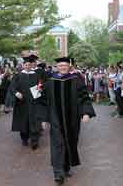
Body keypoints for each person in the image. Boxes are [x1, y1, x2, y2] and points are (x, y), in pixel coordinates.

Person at [41, 57, 96, 185]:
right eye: (60, 66)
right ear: (56, 67)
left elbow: (84, 97)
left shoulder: (76, 81)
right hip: (55, 119)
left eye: (65, 65)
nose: (63, 67)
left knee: (70, 142)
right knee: (57, 144)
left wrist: (86, 112)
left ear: (69, 66)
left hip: (72, 119)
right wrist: (43, 119)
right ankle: (58, 172)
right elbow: (42, 101)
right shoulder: (49, 82)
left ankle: (66, 167)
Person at [12, 57, 42, 150]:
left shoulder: (36, 75)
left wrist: (40, 89)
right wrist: (16, 93)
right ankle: (24, 138)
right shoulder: (18, 75)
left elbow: (40, 86)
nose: (27, 66)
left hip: (34, 102)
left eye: (29, 65)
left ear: (31, 65)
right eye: (26, 65)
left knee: (34, 121)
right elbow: (12, 87)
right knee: (23, 121)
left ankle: (34, 141)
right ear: (23, 65)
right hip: (22, 103)